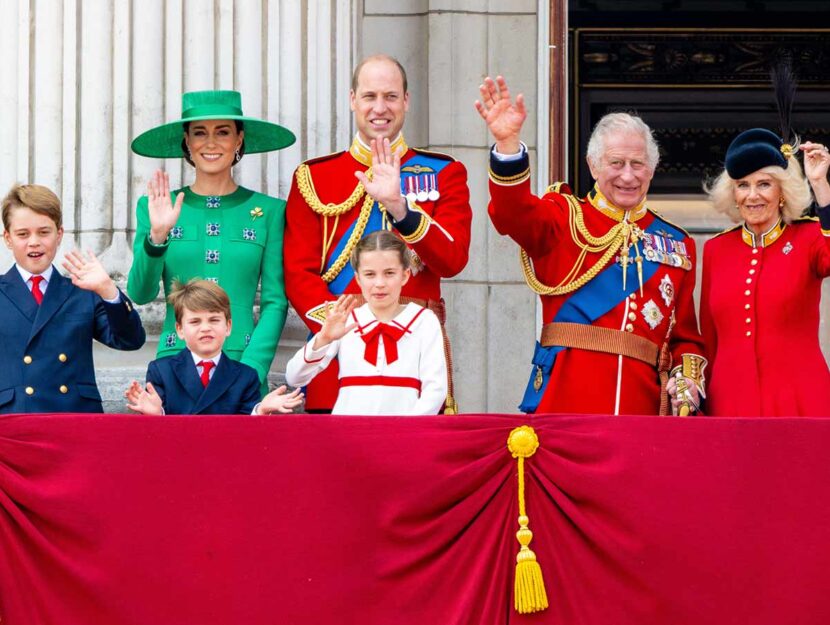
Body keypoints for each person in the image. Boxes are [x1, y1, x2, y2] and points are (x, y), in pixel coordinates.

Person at [475, 75, 706, 415]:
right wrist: (508, 146)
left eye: (637, 164)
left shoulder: (677, 243)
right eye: (616, 164)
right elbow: (512, 214)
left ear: (652, 170)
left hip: (639, 409)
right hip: (565, 403)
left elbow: (686, 337)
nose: (628, 176)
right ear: (593, 165)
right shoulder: (563, 217)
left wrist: (688, 380)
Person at [284, 54, 471, 413]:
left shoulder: (445, 172)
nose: (380, 108)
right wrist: (345, 331)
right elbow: (297, 274)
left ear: (406, 100)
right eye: (369, 96)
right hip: (338, 365)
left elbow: (452, 260)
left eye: (390, 96)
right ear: (353, 99)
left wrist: (402, 209)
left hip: (417, 355)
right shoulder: (314, 177)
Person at [128, 90, 295, 393]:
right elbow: (140, 293)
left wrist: (252, 369)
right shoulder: (153, 206)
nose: (211, 142)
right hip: (174, 367)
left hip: (242, 364)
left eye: (223, 132)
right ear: (187, 141)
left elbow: (275, 302)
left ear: (239, 139)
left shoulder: (270, 211)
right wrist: (158, 235)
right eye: (200, 133)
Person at [700, 130, 830, 416]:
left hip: (801, 403)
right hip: (730, 405)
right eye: (743, 185)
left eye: (764, 184)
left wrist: (820, 186)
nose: (753, 195)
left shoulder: (808, 238)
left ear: (782, 191)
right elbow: (709, 339)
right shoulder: (716, 250)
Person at [0, 184, 145, 413]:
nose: (34, 241)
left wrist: (108, 289)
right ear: (8, 238)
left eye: (44, 232)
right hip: (14, 419)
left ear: (59, 235)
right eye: (23, 234)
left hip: (73, 417)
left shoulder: (82, 291)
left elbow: (130, 340)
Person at [285, 231, 447, 415]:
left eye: (389, 273)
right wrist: (323, 338)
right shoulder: (347, 320)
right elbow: (294, 377)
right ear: (358, 279)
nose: (379, 283)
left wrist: (406, 432)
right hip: (348, 434)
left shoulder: (424, 320)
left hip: (404, 435)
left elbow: (435, 389)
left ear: (405, 275)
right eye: (370, 274)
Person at [125, 279, 303, 415]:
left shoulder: (245, 377)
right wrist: (158, 414)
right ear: (179, 329)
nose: (205, 328)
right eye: (195, 321)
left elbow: (247, 433)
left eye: (214, 320)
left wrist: (260, 410)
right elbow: (156, 434)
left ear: (228, 326)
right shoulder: (162, 371)